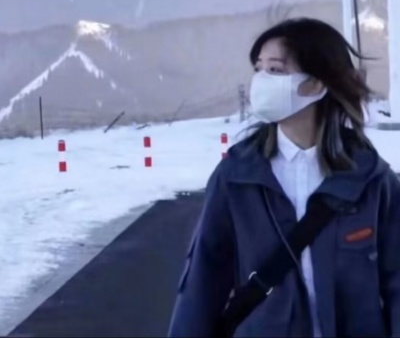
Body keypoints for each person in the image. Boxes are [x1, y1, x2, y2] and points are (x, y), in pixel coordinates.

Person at [168, 18, 400, 337]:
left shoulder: (371, 179)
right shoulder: (237, 177)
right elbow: (202, 281)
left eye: (275, 70)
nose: (261, 81)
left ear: (316, 84)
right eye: (259, 69)